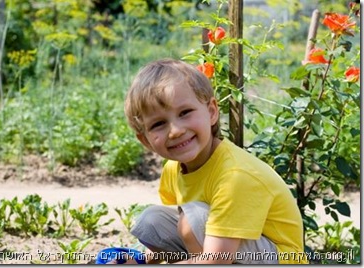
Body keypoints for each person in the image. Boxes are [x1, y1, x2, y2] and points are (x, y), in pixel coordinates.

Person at [122, 58, 308, 264]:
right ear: (145, 140)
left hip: (278, 259)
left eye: (185, 113)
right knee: (153, 220)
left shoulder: (235, 175)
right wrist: (140, 260)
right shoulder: (173, 169)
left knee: (190, 221)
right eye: (158, 124)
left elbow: (216, 259)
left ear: (211, 112)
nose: (176, 131)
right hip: (227, 249)